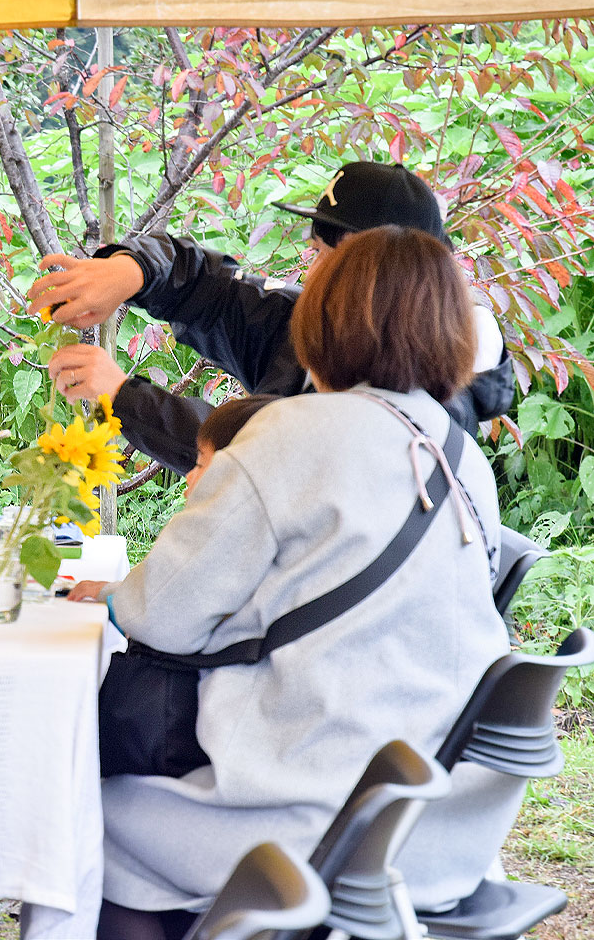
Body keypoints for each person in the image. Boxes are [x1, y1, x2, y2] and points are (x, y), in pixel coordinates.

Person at [60, 227, 509, 940]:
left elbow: (159, 617)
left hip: (308, 816)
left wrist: (112, 596)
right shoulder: (460, 453)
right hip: (441, 825)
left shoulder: (290, 433)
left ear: (320, 323)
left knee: (75, 817)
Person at [35, 162, 516, 475]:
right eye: (316, 252)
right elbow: (211, 289)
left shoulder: (424, 399)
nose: (316, 272)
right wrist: (130, 270)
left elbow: (275, 463)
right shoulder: (317, 325)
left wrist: (124, 396)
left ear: (383, 273)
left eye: (328, 256)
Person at [66, 394, 278, 604]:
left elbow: (159, 610)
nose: (189, 476)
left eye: (201, 465)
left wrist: (113, 596)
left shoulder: (221, 547)